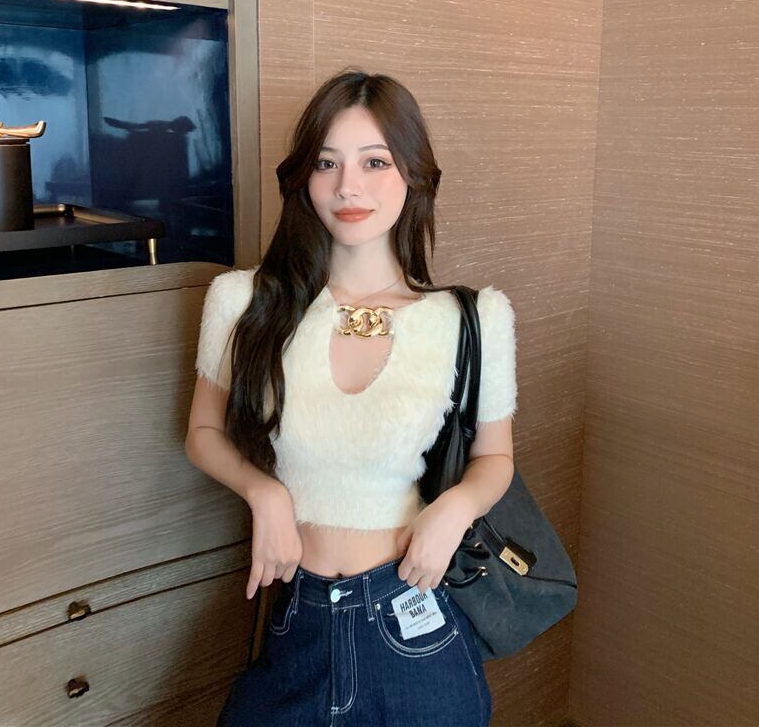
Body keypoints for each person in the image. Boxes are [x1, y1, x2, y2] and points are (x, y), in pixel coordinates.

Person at [185, 69, 518, 727]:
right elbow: (203, 432)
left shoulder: (474, 318)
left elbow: (495, 458)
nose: (347, 186)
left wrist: (454, 511)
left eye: (375, 162)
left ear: (413, 174)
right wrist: (264, 492)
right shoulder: (244, 302)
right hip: (297, 619)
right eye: (326, 163)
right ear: (303, 178)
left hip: (413, 617)